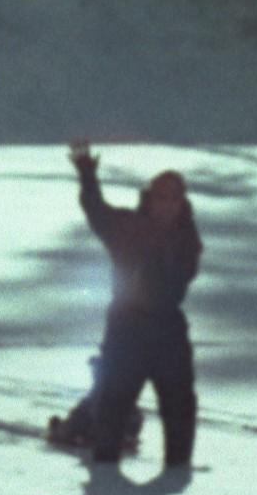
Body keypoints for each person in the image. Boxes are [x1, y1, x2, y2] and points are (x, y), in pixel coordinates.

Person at [56, 139, 203, 470]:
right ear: (151, 199)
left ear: (182, 203)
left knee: (180, 405)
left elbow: (184, 274)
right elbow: (95, 209)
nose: (168, 204)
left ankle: (179, 469)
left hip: (168, 328)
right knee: (113, 403)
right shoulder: (127, 227)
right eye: (162, 197)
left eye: (175, 198)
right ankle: (104, 466)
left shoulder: (187, 235)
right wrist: (86, 171)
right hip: (127, 326)